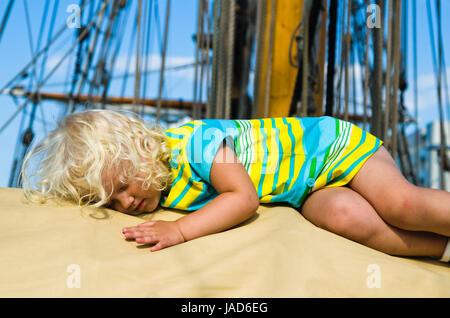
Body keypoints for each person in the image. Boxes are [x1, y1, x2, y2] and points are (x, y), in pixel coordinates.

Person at [21, 109, 450, 262]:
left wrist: (180, 230)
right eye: (112, 200)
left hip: (332, 150)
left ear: (138, 148)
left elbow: (242, 198)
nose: (126, 201)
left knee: (402, 206)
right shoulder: (161, 189)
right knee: (347, 218)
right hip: (306, 190)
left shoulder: (195, 143)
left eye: (123, 185)